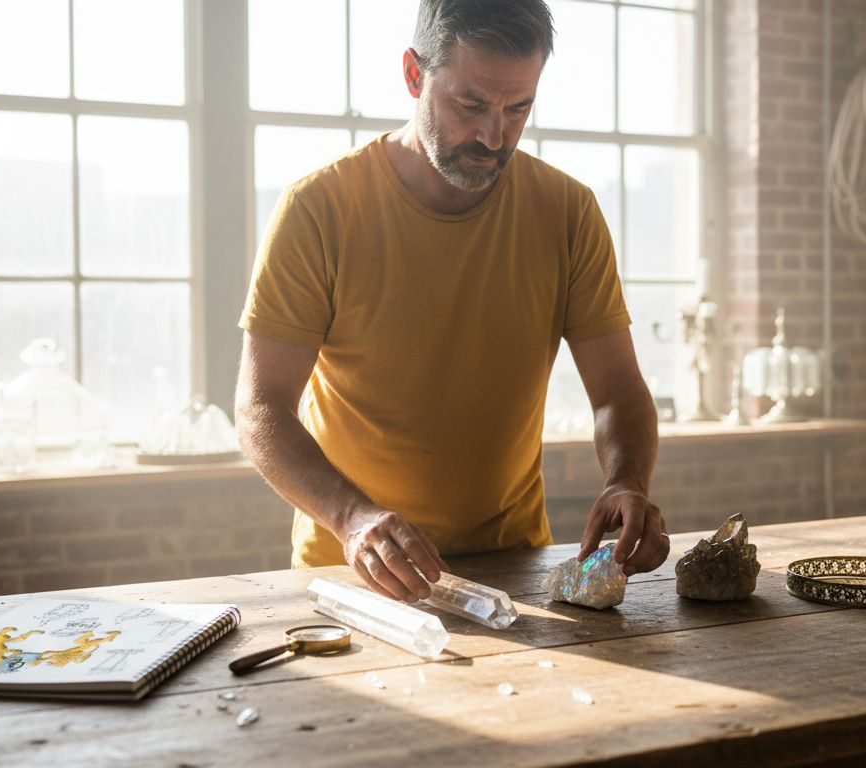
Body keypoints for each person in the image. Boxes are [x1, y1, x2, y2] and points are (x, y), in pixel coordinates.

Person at [235, 0, 667, 603]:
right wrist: (352, 518)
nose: (493, 136)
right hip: (354, 575)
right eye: (471, 105)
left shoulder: (568, 212)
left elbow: (618, 391)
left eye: (518, 109)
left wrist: (626, 481)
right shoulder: (318, 210)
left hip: (516, 566)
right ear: (415, 75)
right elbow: (261, 408)